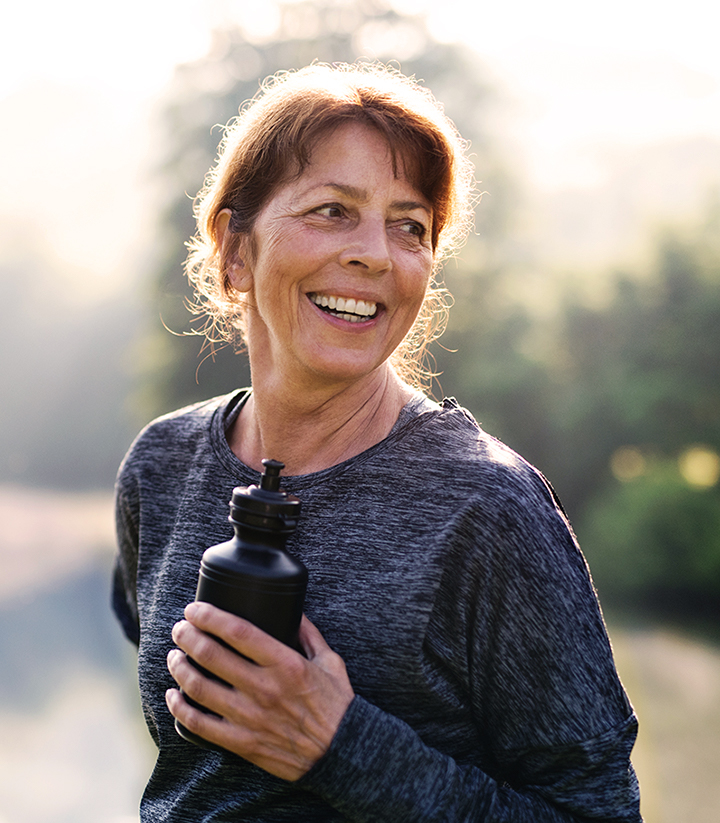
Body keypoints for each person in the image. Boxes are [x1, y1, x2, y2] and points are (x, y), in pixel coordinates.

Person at [111, 63, 641, 821]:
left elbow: (599, 813)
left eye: (409, 226)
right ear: (235, 249)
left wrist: (342, 746)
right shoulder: (163, 464)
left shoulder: (490, 507)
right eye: (332, 210)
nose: (377, 254)